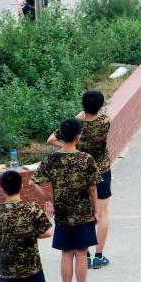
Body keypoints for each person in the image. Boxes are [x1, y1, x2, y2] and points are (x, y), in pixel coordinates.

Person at [31, 118, 100, 282]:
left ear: (61, 135)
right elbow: (93, 188)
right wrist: (96, 210)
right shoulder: (86, 159)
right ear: (78, 137)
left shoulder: (52, 159)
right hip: (84, 214)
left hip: (62, 213)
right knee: (81, 253)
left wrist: (48, 199)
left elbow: (33, 182)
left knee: (66, 253)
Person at [48, 90, 112, 269]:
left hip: (79, 171)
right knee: (102, 213)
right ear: (100, 106)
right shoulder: (105, 122)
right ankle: (99, 256)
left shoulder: (77, 126)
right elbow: (104, 111)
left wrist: (69, 146)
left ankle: (86, 253)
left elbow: (51, 139)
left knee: (86, 214)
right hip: (102, 170)